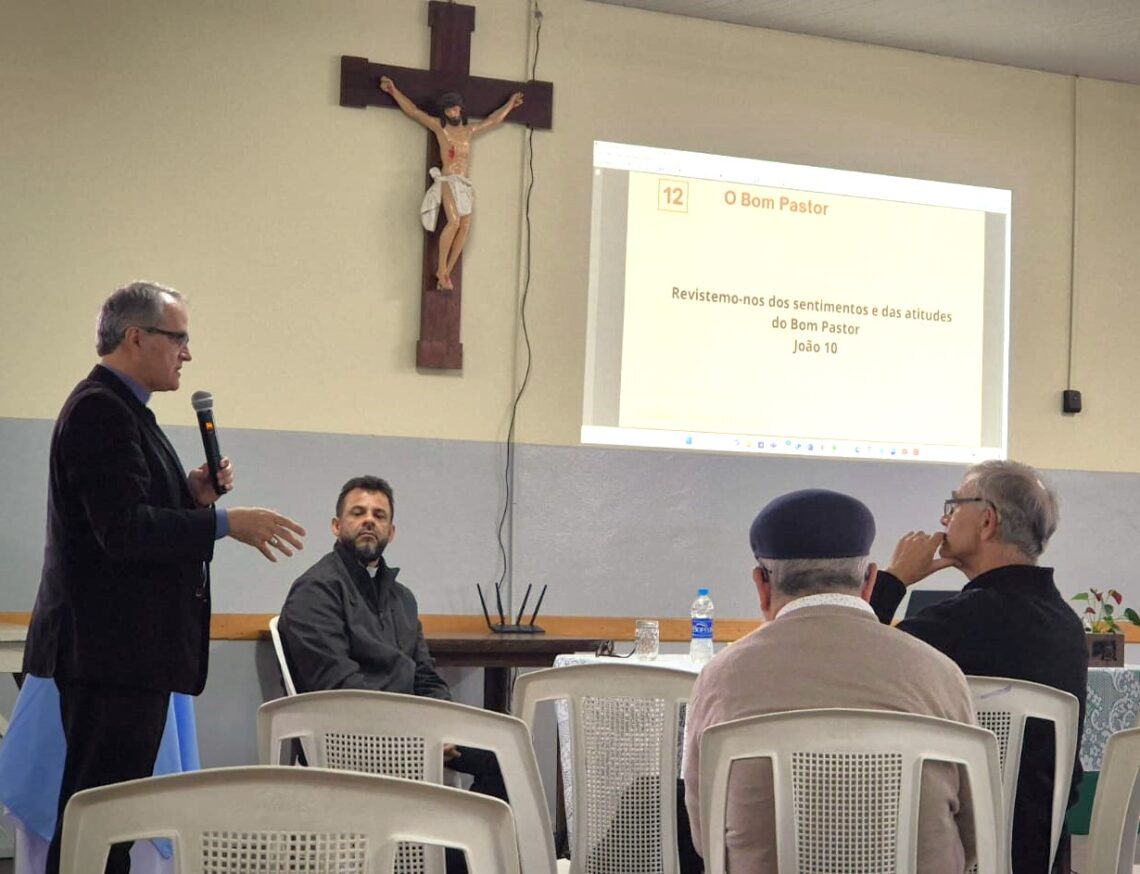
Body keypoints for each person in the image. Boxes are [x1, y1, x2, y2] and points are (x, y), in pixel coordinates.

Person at [23, 280, 307, 874]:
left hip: (123, 657)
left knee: (111, 825)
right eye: (179, 338)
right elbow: (123, 532)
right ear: (136, 337)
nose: (188, 353)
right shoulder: (100, 410)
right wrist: (226, 522)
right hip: (107, 657)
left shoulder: (127, 411)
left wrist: (191, 494)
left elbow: (129, 515)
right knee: (97, 824)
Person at [683, 489, 978, 874]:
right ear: (871, 581)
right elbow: (972, 836)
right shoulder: (939, 672)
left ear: (762, 585)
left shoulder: (721, 677)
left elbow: (705, 839)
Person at [870, 459, 1087, 874]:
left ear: (987, 521)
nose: (943, 518)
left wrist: (895, 578)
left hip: (955, 852)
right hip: (1039, 855)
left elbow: (851, 653)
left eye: (953, 506)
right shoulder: (1067, 626)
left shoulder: (952, 624)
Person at [278, 476, 506, 871]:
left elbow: (427, 677)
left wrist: (442, 727)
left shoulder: (402, 599)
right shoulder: (315, 591)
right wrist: (418, 737)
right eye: (358, 512)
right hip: (349, 741)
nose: (369, 521)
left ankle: (454, 861)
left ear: (391, 531)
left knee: (504, 758)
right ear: (337, 525)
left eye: (379, 515)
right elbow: (338, 690)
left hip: (414, 734)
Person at [379, 76, 524, 290]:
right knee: (454, 221)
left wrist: (510, 104)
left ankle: (445, 272)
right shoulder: (439, 127)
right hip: (447, 178)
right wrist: (393, 91)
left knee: (465, 225)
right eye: (449, 110)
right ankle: (441, 269)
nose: (453, 112)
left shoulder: (468, 131)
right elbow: (414, 112)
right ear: (444, 111)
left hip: (464, 183)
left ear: (460, 110)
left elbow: (493, 120)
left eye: (456, 109)